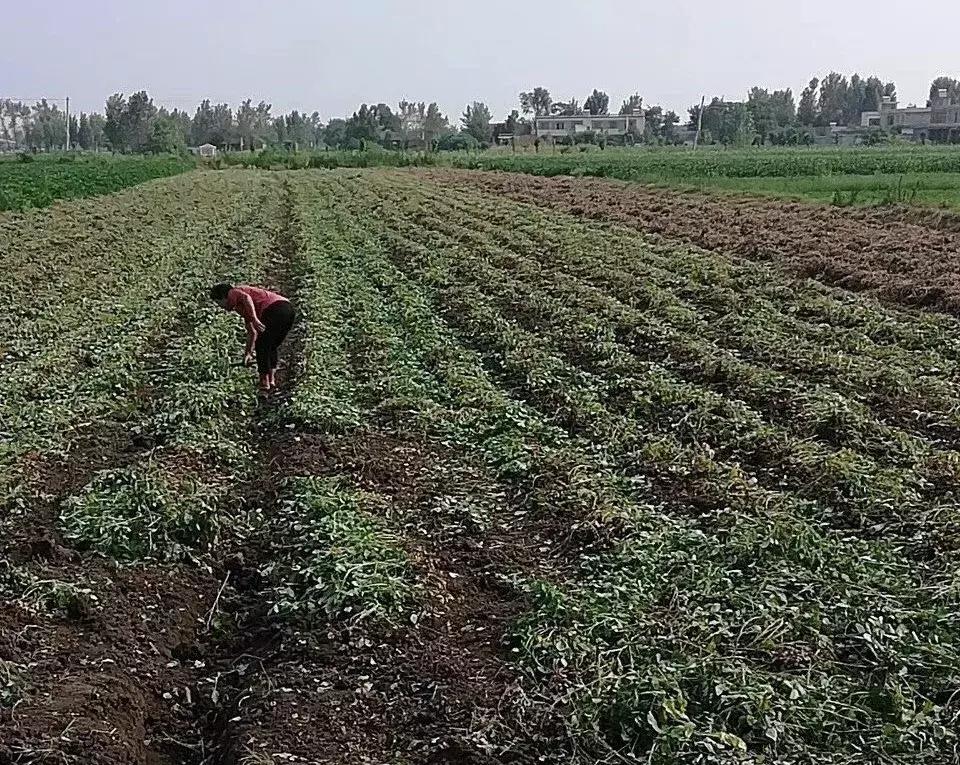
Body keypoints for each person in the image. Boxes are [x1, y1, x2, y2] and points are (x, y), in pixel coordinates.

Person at [210, 282, 295, 392]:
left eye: (219, 303)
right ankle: (271, 379)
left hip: (276, 308)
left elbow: (246, 297)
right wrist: (248, 353)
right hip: (288, 310)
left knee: (262, 345)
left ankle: (264, 383)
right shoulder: (241, 307)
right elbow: (252, 332)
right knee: (270, 345)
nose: (221, 307)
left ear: (223, 297)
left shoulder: (233, 292)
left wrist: (254, 319)